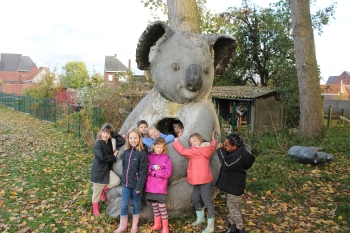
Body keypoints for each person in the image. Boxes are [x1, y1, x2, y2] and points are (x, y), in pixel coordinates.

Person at [172, 131, 216, 233]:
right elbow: (212, 148)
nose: (193, 144)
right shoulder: (207, 149)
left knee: (207, 202)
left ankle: (211, 226)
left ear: (200, 139)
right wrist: (213, 140)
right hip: (198, 180)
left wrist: (176, 141)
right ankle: (200, 218)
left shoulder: (194, 152)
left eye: (194, 141)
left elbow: (182, 151)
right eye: (191, 143)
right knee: (195, 199)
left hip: (203, 180)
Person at [215, 134, 255, 233]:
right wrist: (223, 150)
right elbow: (228, 158)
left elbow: (227, 165)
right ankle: (232, 228)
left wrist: (220, 151)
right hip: (232, 185)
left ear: (234, 146)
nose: (225, 147)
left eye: (227, 146)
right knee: (232, 207)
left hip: (234, 187)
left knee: (233, 208)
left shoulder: (238, 155)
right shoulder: (235, 153)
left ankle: (240, 228)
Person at [113, 127, 148, 233]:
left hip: (136, 184)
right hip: (126, 184)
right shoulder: (127, 152)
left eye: (135, 138)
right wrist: (124, 180)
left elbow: (143, 172)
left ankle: (134, 225)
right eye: (131, 138)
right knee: (124, 204)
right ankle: (122, 226)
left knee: (136, 203)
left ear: (139, 138)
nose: (133, 140)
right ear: (128, 139)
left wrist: (139, 186)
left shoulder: (142, 153)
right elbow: (124, 167)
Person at [90, 123, 126, 216]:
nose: (105, 135)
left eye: (108, 133)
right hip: (98, 171)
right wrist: (113, 157)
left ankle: (103, 190)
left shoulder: (110, 142)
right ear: (101, 132)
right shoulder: (98, 144)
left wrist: (113, 133)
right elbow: (101, 158)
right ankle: (95, 209)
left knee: (116, 181)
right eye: (104, 132)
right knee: (96, 192)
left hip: (107, 169)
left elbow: (122, 141)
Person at [144, 137, 173, 233]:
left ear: (164, 148)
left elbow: (167, 173)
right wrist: (152, 168)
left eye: (161, 147)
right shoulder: (149, 156)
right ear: (153, 146)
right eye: (157, 146)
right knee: (155, 207)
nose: (159, 149)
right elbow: (145, 168)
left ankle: (165, 227)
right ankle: (157, 224)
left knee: (162, 208)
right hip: (150, 187)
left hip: (160, 187)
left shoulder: (166, 158)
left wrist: (157, 173)